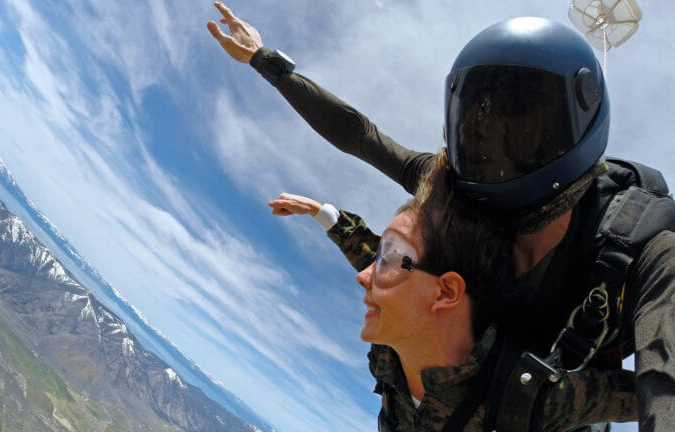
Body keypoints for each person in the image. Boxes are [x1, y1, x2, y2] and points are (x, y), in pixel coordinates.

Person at [208, 4, 675, 431]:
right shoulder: (458, 193)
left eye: (523, 134)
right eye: (479, 131)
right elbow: (363, 137)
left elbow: (664, 382)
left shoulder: (645, 252)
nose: (492, 153)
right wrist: (264, 61)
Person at [267, 150, 637, 431]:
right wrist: (326, 215)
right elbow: (377, 260)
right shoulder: (395, 340)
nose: (365, 276)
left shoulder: (529, 397)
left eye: (391, 258)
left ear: (445, 294)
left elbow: (647, 393)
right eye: (383, 259)